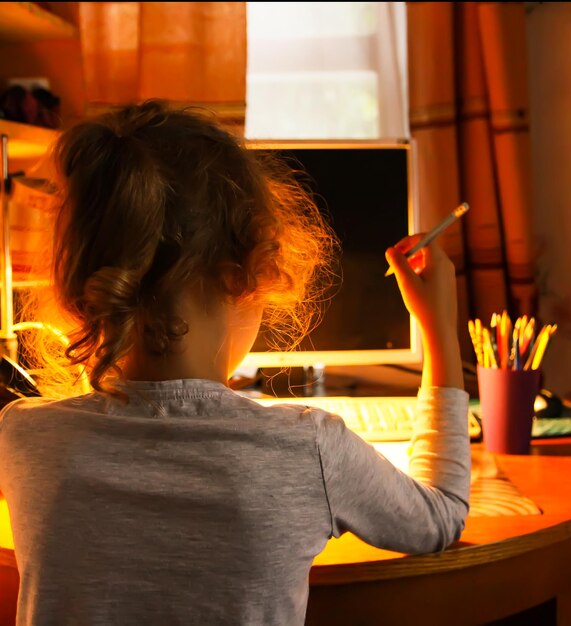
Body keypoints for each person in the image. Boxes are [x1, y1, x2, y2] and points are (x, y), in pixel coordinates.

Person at [0, 100, 470, 626]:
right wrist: (438, 330)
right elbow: (442, 517)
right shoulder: (309, 448)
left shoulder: (24, 438)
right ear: (243, 273)